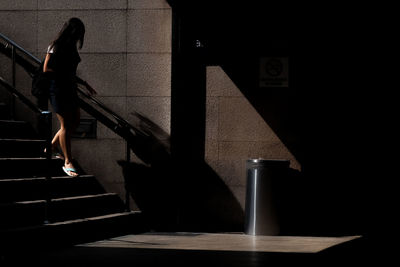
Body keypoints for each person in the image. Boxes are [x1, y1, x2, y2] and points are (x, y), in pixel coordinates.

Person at [43, 17, 96, 177]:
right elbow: (46, 69)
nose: (80, 36)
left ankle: (51, 147)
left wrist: (83, 83)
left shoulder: (71, 47)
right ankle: (67, 161)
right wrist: (65, 76)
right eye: (79, 32)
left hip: (70, 89)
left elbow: (70, 72)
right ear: (71, 31)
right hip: (58, 90)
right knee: (65, 124)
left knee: (75, 121)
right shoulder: (55, 46)